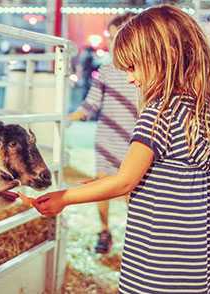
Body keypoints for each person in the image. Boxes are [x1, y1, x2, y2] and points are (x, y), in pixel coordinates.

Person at [32, 4, 210, 293]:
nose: (130, 79)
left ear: (165, 57)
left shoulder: (158, 113)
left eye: (133, 67)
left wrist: (65, 197)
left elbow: (125, 181)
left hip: (158, 254)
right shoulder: (205, 108)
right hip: (198, 251)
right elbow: (169, 172)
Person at [68, 12, 138, 254]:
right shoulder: (106, 70)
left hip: (136, 142)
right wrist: (66, 119)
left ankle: (137, 239)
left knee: (133, 191)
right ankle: (104, 231)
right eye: (112, 36)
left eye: (118, 35)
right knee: (102, 186)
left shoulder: (146, 71)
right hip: (107, 137)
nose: (113, 41)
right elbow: (91, 103)